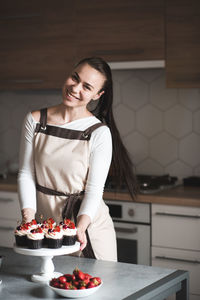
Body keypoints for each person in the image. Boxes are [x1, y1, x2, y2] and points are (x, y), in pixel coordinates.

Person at [17, 57, 138, 261]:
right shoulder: (35, 120)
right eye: (75, 78)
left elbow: (94, 190)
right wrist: (29, 221)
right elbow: (26, 173)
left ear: (97, 95)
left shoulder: (99, 132)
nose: (75, 88)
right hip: (47, 228)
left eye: (87, 86)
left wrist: (80, 228)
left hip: (88, 229)